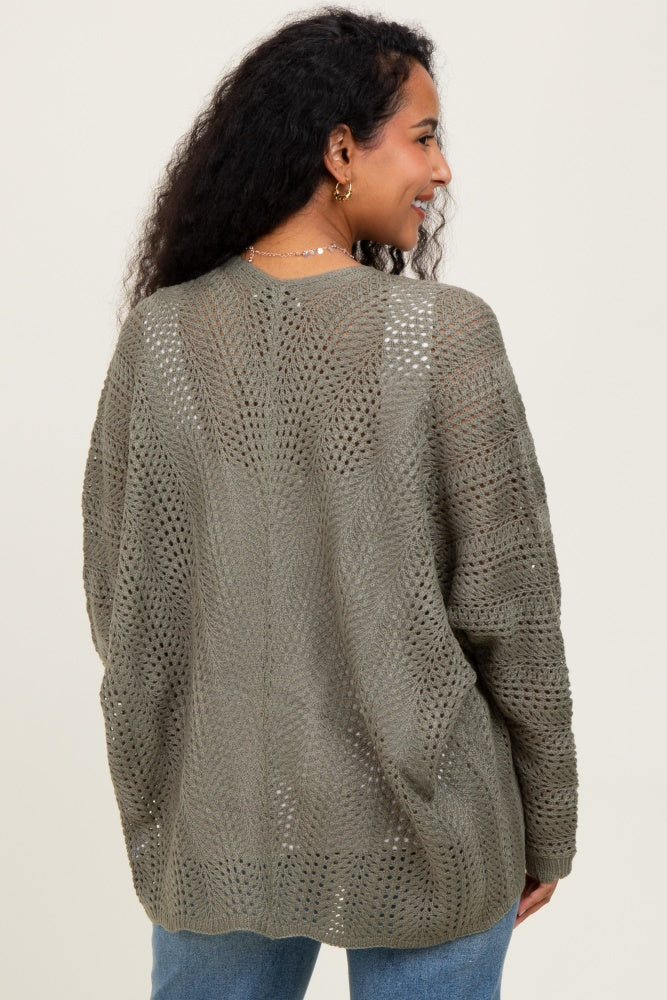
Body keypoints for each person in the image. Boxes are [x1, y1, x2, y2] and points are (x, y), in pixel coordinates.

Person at [81, 7, 578, 999]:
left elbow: (124, 610)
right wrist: (549, 825)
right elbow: (512, 613)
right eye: (424, 138)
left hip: (222, 828)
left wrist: (166, 804)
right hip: (435, 832)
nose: (441, 170)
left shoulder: (161, 339)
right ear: (340, 150)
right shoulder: (444, 336)